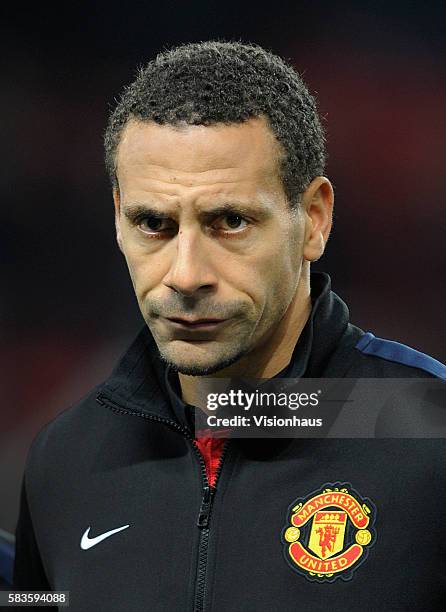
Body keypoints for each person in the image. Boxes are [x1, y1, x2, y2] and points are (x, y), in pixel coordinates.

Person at [14, 41, 445, 611]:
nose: (186, 275)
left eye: (231, 221)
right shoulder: (62, 461)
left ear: (314, 219)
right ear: (117, 217)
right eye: (153, 223)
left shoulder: (428, 429)